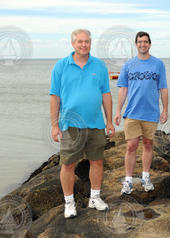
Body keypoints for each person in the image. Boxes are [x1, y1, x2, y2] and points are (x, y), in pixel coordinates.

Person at [50, 29, 115, 218]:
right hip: (70, 125)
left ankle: (94, 198)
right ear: (73, 44)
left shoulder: (99, 66)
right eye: (80, 42)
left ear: (90, 43)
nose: (83, 45)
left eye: (86, 41)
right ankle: (69, 203)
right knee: (68, 164)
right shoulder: (61, 66)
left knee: (97, 161)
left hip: (95, 123)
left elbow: (106, 94)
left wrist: (109, 121)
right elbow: (54, 97)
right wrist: (55, 125)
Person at [114, 31, 168, 194]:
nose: (142, 44)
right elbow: (123, 89)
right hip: (132, 113)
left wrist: (165, 109)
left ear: (149, 44)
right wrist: (117, 110)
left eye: (145, 42)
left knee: (148, 144)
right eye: (139, 42)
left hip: (151, 113)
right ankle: (128, 180)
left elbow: (163, 88)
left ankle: (145, 177)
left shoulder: (158, 64)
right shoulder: (128, 65)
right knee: (131, 146)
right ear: (136, 44)